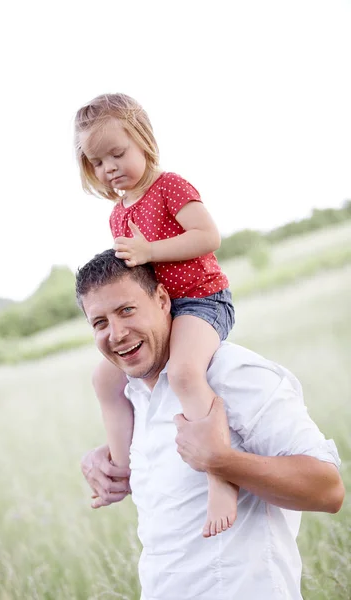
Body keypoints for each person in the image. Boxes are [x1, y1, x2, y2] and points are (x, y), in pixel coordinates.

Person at [76, 250, 344, 600]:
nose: (116, 333)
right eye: (100, 323)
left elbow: (328, 490)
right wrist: (103, 459)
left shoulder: (233, 374)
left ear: (161, 299)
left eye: (127, 310)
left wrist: (220, 460)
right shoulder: (134, 397)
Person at [74, 93, 236, 537]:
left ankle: (221, 475)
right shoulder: (117, 213)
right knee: (104, 379)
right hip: (161, 312)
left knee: (184, 373)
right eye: (98, 161)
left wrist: (151, 250)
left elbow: (209, 235)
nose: (109, 167)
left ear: (143, 139)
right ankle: (123, 467)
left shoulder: (171, 187)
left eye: (118, 153)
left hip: (202, 300)